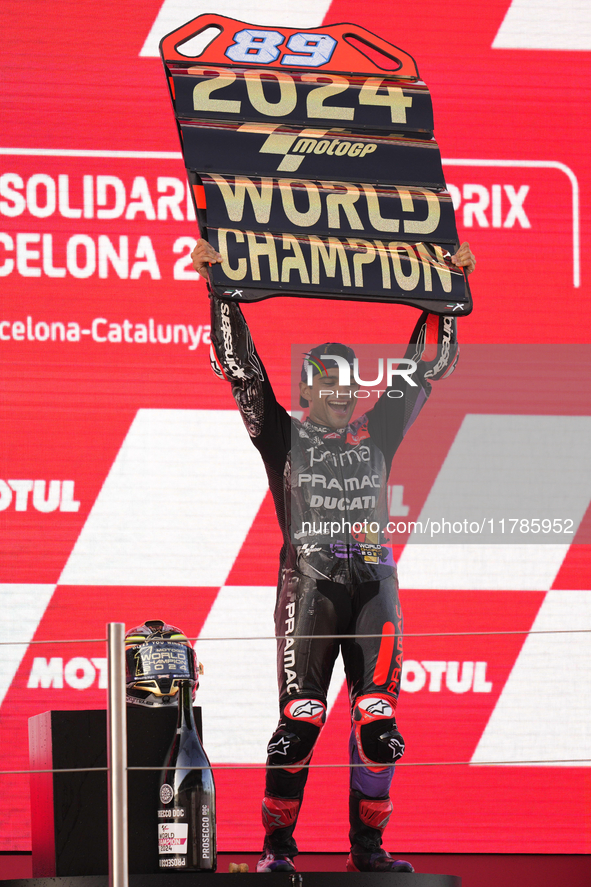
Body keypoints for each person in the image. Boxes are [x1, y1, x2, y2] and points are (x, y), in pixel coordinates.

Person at [192, 238, 475, 873]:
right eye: (329, 382)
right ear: (308, 387)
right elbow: (242, 371)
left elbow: (426, 364)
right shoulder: (281, 433)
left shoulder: (382, 427)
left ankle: (367, 850)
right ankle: (276, 849)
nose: (342, 392)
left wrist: (448, 295)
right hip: (310, 586)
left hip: (375, 582)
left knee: (381, 729)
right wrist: (219, 290)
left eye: (350, 382)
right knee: (299, 724)